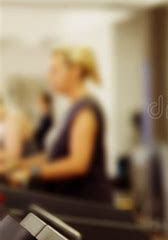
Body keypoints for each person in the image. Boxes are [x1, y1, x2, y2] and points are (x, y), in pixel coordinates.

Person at [3, 45, 112, 203]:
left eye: (54, 70)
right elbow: (53, 156)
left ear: (75, 71)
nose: (49, 76)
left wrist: (31, 172)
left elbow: (78, 164)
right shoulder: (72, 109)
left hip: (87, 201)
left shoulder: (86, 110)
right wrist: (19, 164)